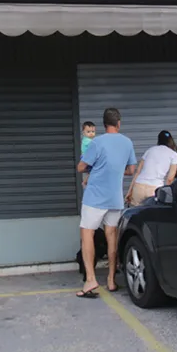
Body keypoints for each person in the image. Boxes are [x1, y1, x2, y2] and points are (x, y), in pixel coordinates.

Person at [76, 107, 136, 298]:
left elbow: (81, 167)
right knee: (111, 236)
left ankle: (91, 280)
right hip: (115, 199)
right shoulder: (127, 142)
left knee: (87, 234)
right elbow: (131, 170)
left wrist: (95, 168)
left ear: (103, 125)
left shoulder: (97, 142)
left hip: (95, 197)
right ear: (119, 124)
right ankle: (111, 280)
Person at [126, 130, 177, 207]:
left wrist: (129, 192)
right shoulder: (173, 154)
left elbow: (138, 172)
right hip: (154, 189)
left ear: (158, 140)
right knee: (151, 215)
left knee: (135, 214)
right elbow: (170, 179)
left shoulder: (150, 150)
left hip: (139, 187)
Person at [80, 121, 96, 189]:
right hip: (86, 157)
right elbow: (95, 145)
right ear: (83, 133)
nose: (91, 133)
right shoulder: (87, 140)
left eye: (93, 131)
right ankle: (85, 182)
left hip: (87, 157)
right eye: (88, 132)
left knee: (91, 171)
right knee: (92, 170)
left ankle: (86, 181)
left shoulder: (90, 140)